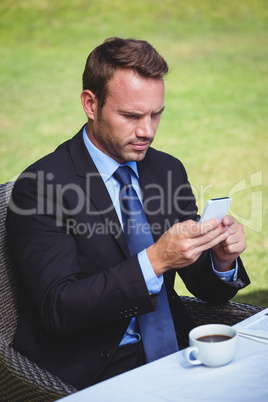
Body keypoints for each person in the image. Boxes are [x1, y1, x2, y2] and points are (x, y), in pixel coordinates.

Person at [6, 37, 250, 390]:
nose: (146, 131)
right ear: (91, 104)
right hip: (89, 370)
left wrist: (220, 260)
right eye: (131, 115)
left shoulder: (166, 170)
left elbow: (205, 289)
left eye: (156, 114)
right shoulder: (41, 186)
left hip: (180, 350)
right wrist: (154, 261)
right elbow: (58, 308)